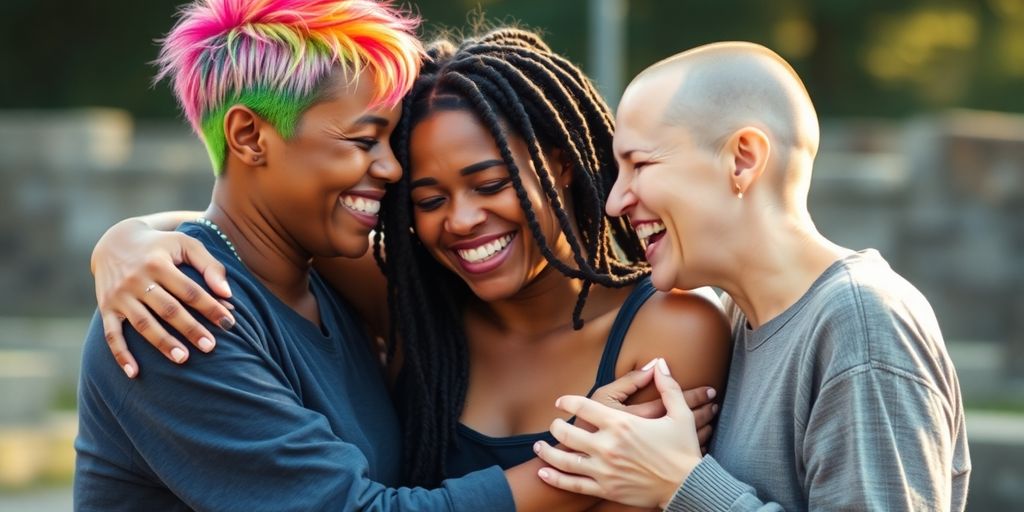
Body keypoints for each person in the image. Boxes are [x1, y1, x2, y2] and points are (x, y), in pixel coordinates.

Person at [80, 8, 726, 510]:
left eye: (491, 182)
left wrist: (131, 234)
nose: (387, 169)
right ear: (250, 136)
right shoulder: (177, 312)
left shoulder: (342, 283)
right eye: (366, 142)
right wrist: (588, 462)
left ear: (559, 167)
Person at [533, 42, 971, 511]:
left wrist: (684, 487)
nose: (615, 202)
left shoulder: (861, 324)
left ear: (742, 159)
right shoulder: (735, 317)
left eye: (639, 164)